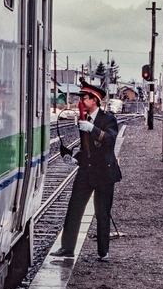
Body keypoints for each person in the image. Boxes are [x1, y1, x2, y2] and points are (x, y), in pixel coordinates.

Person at [51, 82, 122, 262]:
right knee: (74, 208)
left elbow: (110, 140)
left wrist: (93, 129)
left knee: (102, 212)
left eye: (85, 98)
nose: (81, 101)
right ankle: (67, 248)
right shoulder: (84, 120)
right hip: (86, 171)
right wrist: (76, 158)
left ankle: (103, 252)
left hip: (104, 173)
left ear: (95, 100)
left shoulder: (108, 120)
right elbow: (86, 148)